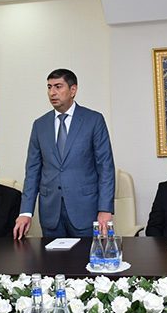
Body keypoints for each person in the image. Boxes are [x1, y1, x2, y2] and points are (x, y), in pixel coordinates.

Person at [14, 68, 115, 239]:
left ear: (73, 90)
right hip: (51, 213)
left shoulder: (93, 120)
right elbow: (32, 172)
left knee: (85, 256)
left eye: (58, 86)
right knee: (52, 257)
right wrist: (26, 212)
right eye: (49, 87)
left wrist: (105, 209)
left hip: (85, 211)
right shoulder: (39, 125)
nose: (52, 92)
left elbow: (105, 167)